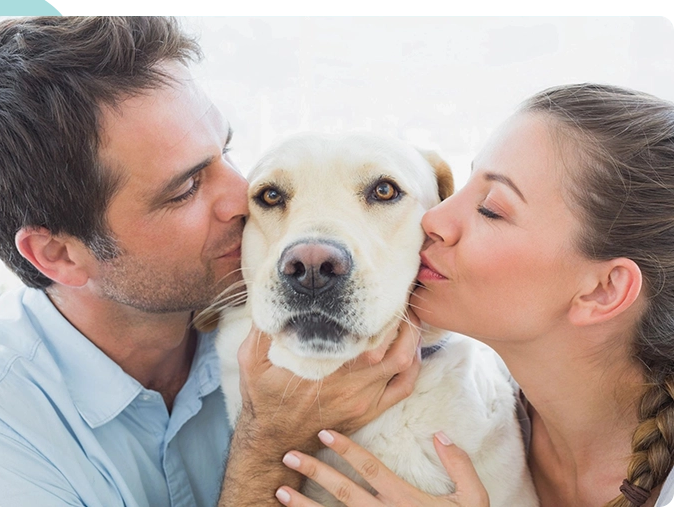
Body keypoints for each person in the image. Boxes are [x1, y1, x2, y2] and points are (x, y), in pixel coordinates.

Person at [0, 16, 422, 507]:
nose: (244, 197)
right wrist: (269, 445)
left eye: (226, 151)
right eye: (187, 189)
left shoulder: (287, 310)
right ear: (60, 255)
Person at [273, 83, 674, 507]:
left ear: (602, 290)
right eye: (464, 185)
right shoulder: (488, 418)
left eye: (491, 209)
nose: (434, 217)